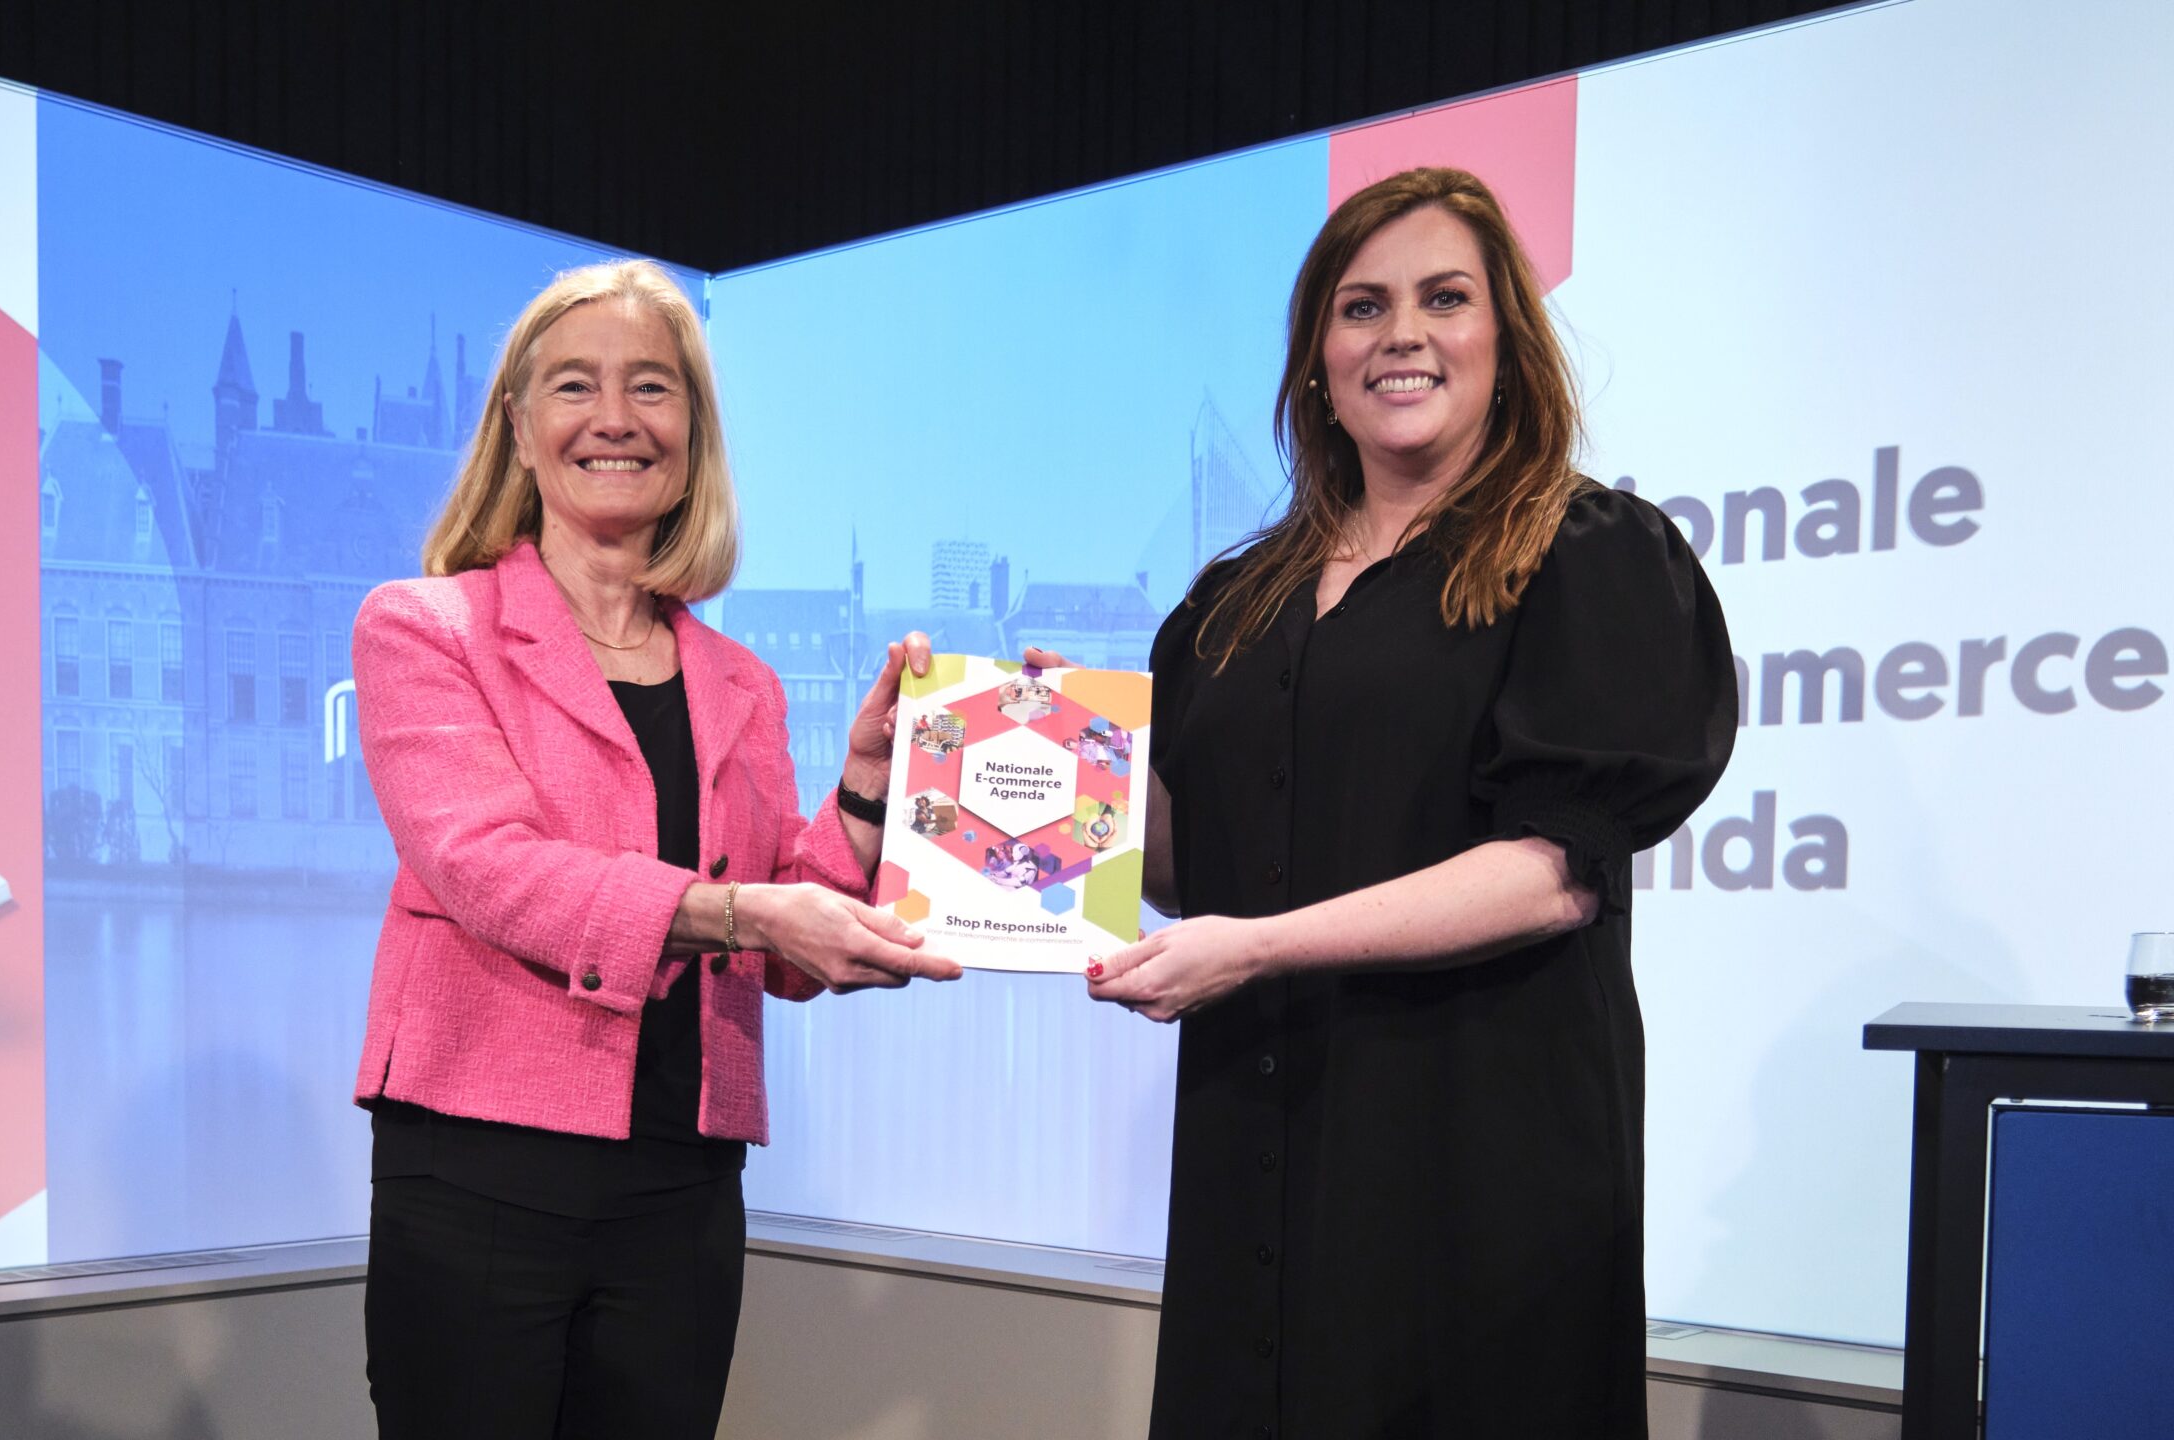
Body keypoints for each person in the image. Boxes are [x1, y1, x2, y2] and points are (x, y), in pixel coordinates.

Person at [1080, 167, 1738, 1437]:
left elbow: (1554, 872)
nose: (1402, 335)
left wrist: (1258, 947)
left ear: (1506, 338)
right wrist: (1045, 769)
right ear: (1316, 356)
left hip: (1480, 1164)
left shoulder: (1588, 553)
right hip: (1257, 1143)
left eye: (1445, 298)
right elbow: (1186, 865)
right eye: (1362, 306)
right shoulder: (1231, 603)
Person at [349, 258, 958, 1440]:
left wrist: (867, 788)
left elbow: (782, 943)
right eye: (575, 386)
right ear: (518, 429)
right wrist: (745, 914)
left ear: (692, 434)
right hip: (480, 1173)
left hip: (683, 1187)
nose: (615, 418)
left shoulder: (742, 682)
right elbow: (488, 868)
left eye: (651, 387)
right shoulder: (424, 629)